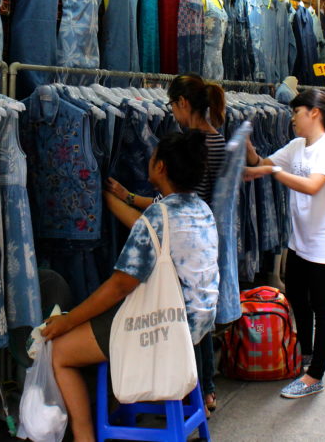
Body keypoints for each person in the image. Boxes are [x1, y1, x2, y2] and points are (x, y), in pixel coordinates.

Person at [42, 131, 219, 442]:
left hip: (164, 325)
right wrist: (114, 197)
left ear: (161, 167)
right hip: (197, 321)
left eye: (152, 158)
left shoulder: (159, 215)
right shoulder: (200, 208)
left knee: (60, 350)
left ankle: (84, 436)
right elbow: (149, 230)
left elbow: (120, 285)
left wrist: (67, 321)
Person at [104, 73, 226, 414]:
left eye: (172, 104)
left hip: (187, 241)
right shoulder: (210, 141)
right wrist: (128, 196)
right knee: (197, 308)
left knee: (182, 307)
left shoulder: (196, 145)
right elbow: (170, 202)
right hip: (203, 235)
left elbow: (170, 209)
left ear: (182, 103)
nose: (171, 111)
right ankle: (201, 389)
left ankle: (196, 387)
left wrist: (119, 201)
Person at [244, 88, 325, 399]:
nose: (292, 119)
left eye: (296, 112)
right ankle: (306, 356)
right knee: (298, 301)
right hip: (301, 241)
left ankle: (315, 375)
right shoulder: (298, 146)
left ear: (313, 113)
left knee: (322, 308)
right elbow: (264, 162)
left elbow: (313, 186)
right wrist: (248, 150)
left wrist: (271, 171)